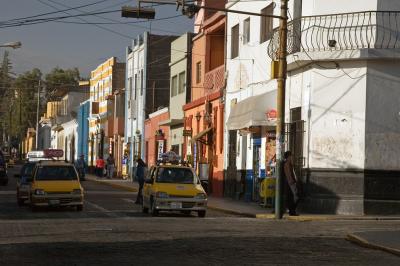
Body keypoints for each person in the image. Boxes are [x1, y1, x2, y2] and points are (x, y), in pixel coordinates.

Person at [283, 151, 299, 216]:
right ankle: (291, 210)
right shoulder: (287, 164)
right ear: (288, 157)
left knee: (294, 197)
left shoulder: (290, 164)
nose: (292, 157)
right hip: (291, 183)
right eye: (291, 156)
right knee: (296, 196)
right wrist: (293, 182)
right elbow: (289, 175)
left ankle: (291, 210)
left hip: (291, 183)